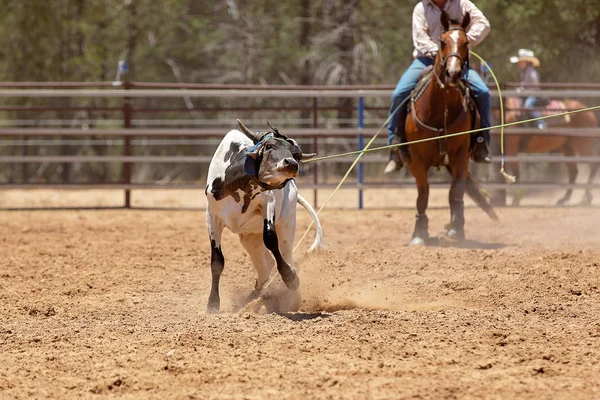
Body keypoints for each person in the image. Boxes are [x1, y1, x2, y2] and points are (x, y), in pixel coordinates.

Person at [384, 0, 492, 174]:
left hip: (456, 60)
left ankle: (481, 142)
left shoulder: (463, 4)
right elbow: (419, 38)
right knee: (399, 94)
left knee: (483, 92)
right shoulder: (421, 8)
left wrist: (460, 42)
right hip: (426, 60)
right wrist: (439, 51)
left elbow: (484, 24)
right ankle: (396, 147)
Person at [510, 48, 545, 130]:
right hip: (527, 93)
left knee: (527, 106)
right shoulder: (524, 72)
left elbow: (535, 85)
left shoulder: (531, 72)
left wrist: (523, 90)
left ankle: (540, 123)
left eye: (521, 61)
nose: (519, 63)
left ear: (526, 62)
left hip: (534, 94)